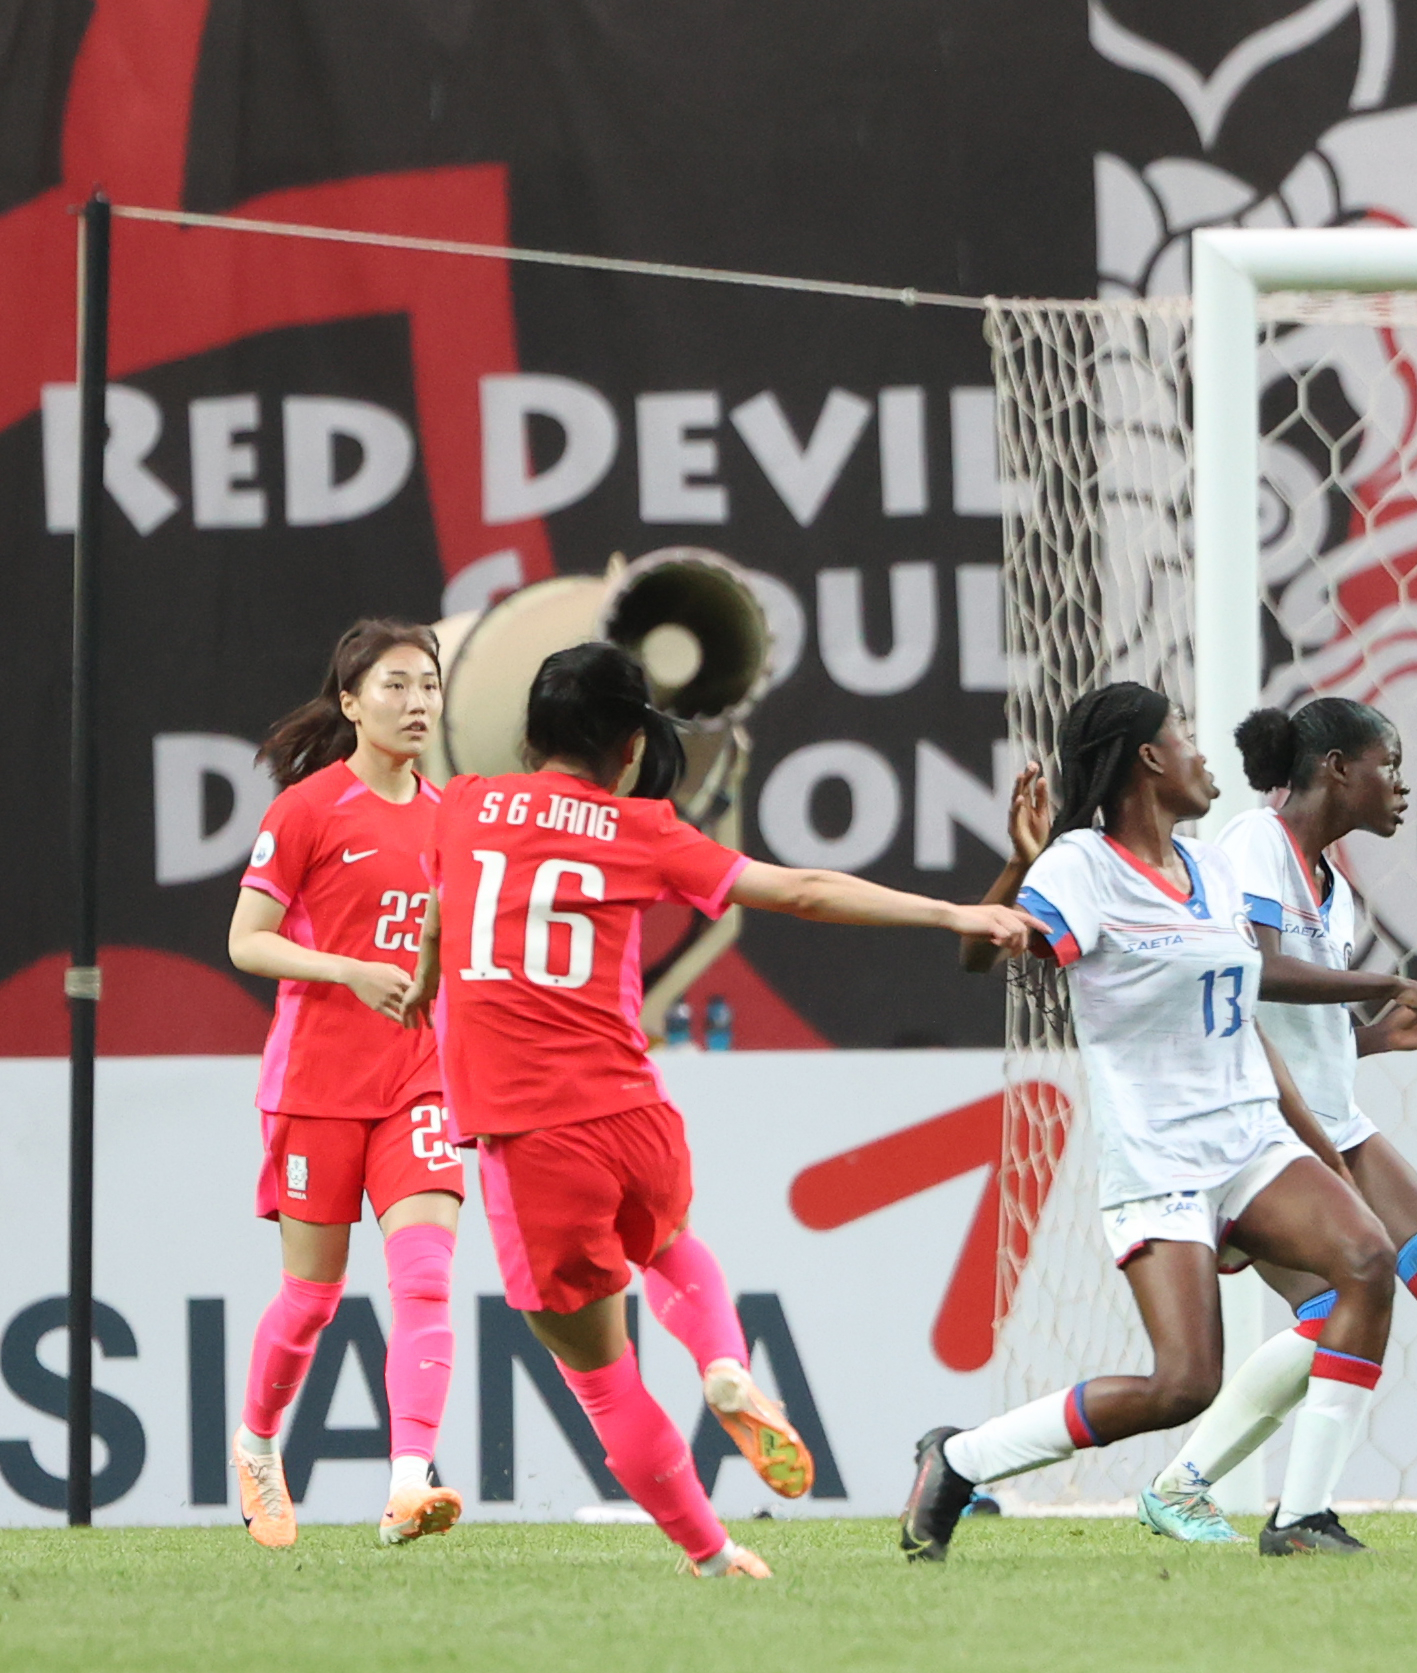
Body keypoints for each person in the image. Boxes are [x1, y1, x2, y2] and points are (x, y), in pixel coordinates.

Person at [401, 641, 1030, 1578]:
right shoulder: (641, 828)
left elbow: (444, 912)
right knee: (669, 1243)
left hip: (530, 1138)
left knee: (604, 1380)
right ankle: (724, 1361)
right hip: (633, 1115)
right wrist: (953, 913)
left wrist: (421, 982)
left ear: (530, 732)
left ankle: (711, 1551)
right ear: (627, 746)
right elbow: (804, 891)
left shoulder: (457, 809)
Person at [907, 682, 1403, 1560]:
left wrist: (1321, 1150)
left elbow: (1243, 1019)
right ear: (1147, 758)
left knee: (1367, 1259)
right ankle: (959, 1458)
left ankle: (1303, 1514)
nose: (1205, 755)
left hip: (1250, 1137)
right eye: (1185, 734)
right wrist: (1021, 864)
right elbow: (976, 953)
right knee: (1184, 1385)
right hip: (1163, 1158)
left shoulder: (1213, 868)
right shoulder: (1078, 868)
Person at [1125, 697, 1417, 1541]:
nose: (1401, 786)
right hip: (1261, 1134)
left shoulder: (1338, 893)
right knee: (1338, 1310)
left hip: (1333, 1118)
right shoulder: (1252, 845)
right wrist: (1389, 984)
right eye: (1388, 764)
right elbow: (1255, 973)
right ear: (1336, 768)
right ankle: (1194, 1487)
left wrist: (1377, 1038)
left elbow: (1310, 1035)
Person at [225, 620, 466, 1550]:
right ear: (352, 701)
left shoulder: (449, 817)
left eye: (429, 685)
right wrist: (347, 969)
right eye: (397, 685)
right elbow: (247, 940)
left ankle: (410, 1482)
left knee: (425, 1278)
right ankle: (255, 1445)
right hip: (317, 1086)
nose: (417, 703)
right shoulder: (307, 809)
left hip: (421, 1080)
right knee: (314, 1299)